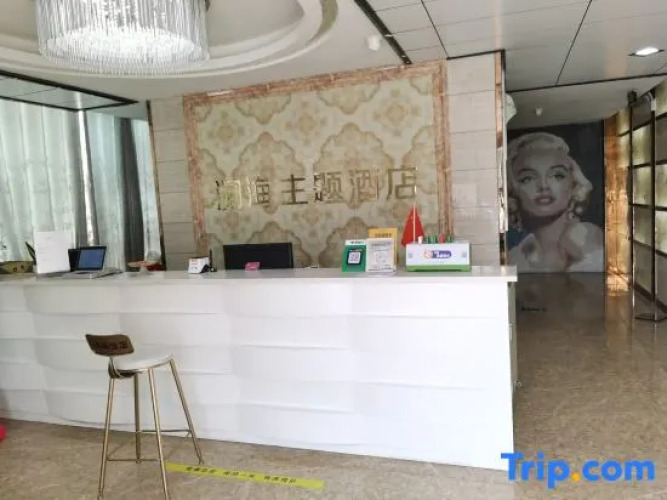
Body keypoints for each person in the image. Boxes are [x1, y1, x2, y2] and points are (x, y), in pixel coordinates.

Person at [507, 132, 603, 272]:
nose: (543, 185)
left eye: (557, 175)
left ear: (574, 183)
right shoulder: (516, 256)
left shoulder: (584, 236)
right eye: (527, 178)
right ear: (513, 190)